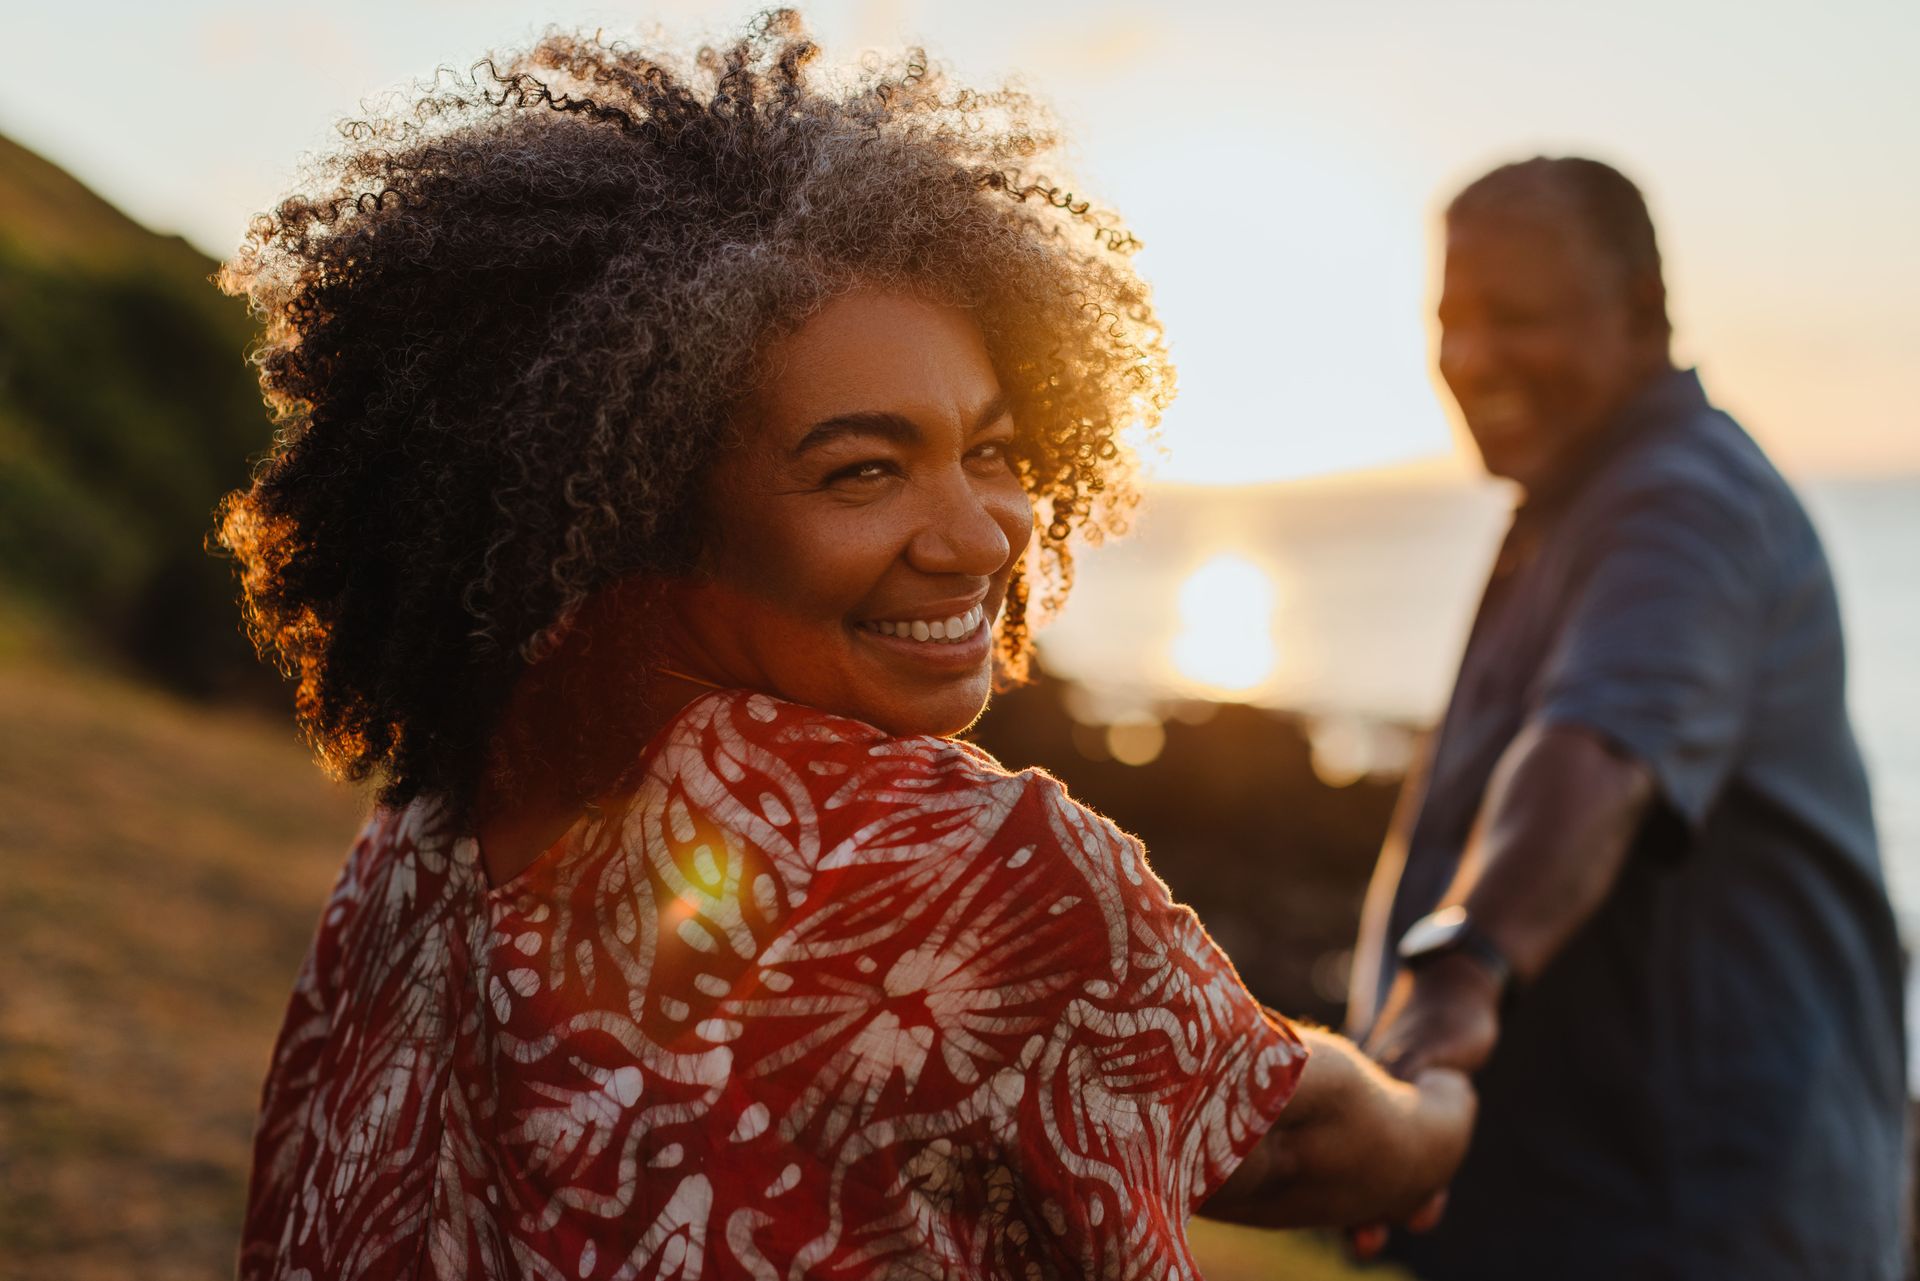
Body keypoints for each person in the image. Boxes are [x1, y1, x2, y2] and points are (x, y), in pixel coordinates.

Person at [219, 16, 1472, 1279]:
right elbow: (1299, 1142)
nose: (981, 535)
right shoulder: (964, 868)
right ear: (647, 510)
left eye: (991, 449)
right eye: (864, 472)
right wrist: (1442, 1096)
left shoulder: (430, 813)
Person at [1347, 155, 1908, 1279]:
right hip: (1578, 1207)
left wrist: (1454, 981)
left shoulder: (1681, 506)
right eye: (1449, 319)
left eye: (1518, 318)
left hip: (1691, 1225)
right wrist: (1383, 1073)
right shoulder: (1573, 504)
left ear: (1642, 316)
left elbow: (1597, 754)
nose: (1468, 358)